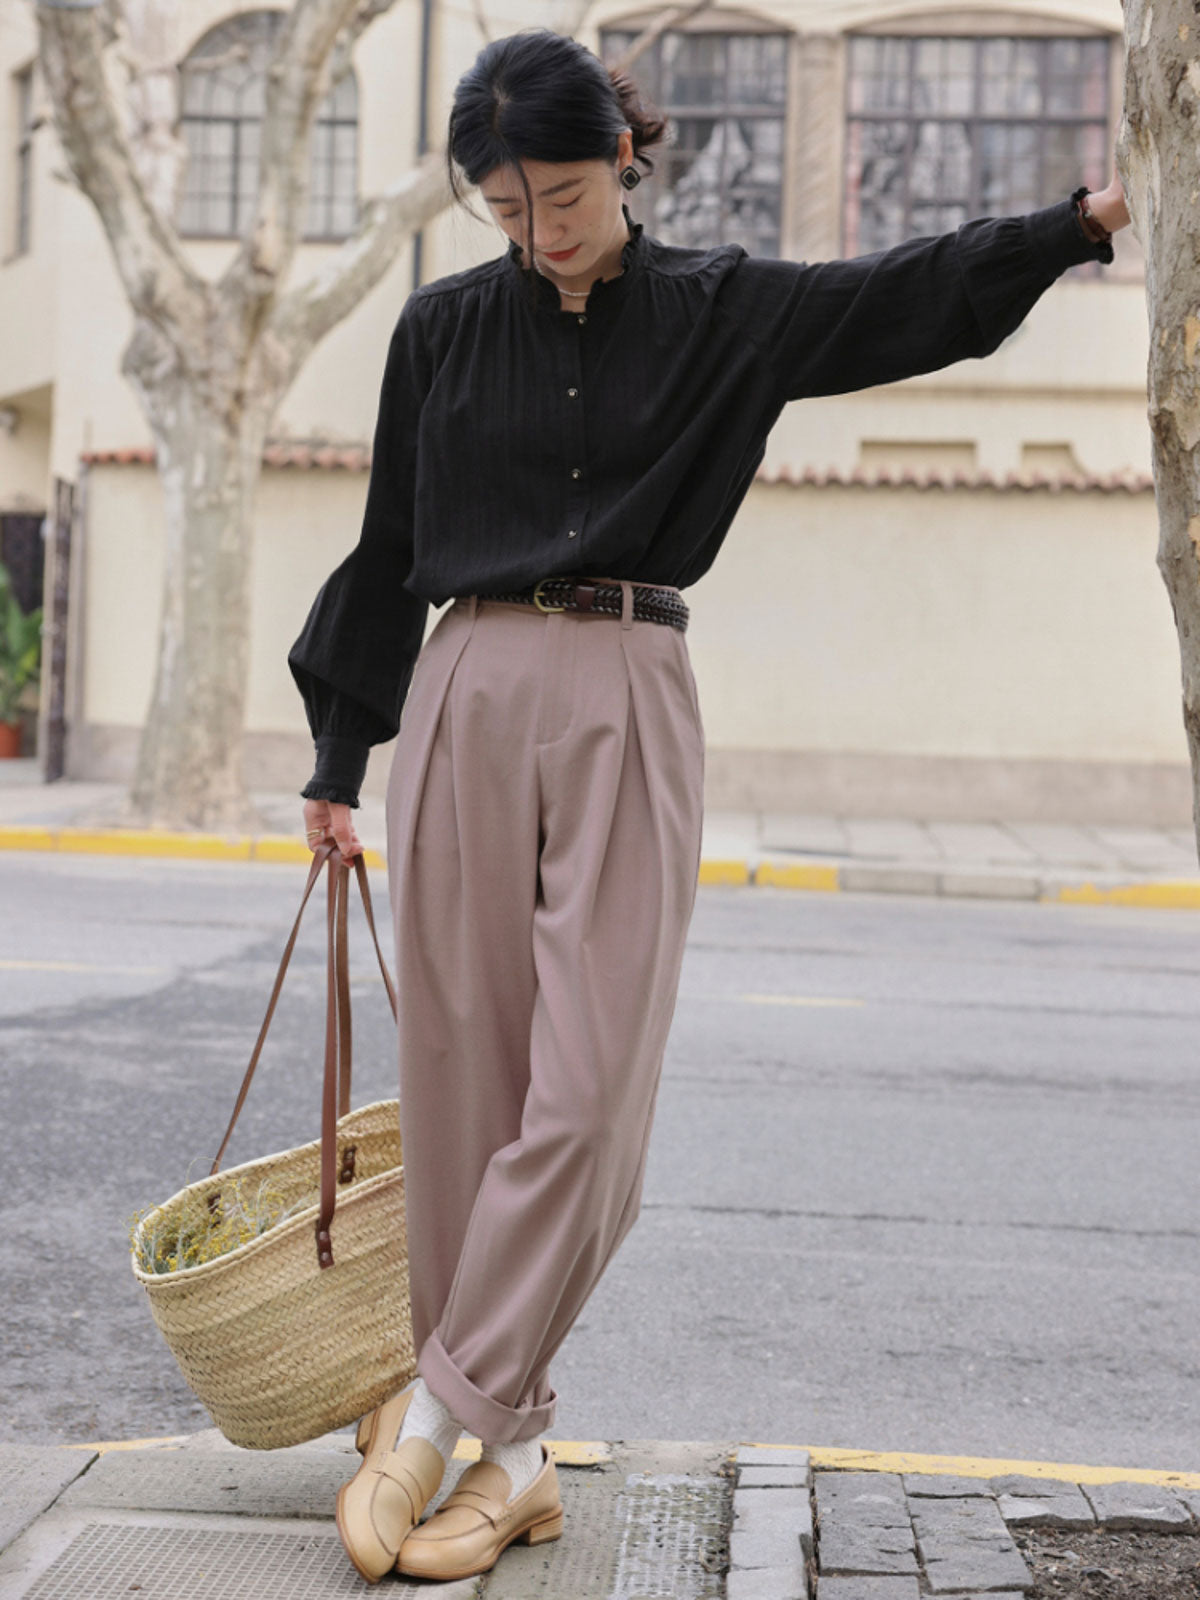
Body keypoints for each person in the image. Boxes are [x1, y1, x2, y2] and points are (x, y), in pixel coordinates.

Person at [288, 27, 1131, 1585]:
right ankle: (515, 1466)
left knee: (589, 1095)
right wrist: (341, 763)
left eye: (560, 196)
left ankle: (433, 1421)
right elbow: (390, 540)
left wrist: (1075, 227)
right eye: (506, 209)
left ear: (622, 154)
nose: (540, 230)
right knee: (463, 1086)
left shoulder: (720, 311)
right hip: (466, 687)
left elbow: (900, 297)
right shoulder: (440, 330)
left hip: (628, 682)